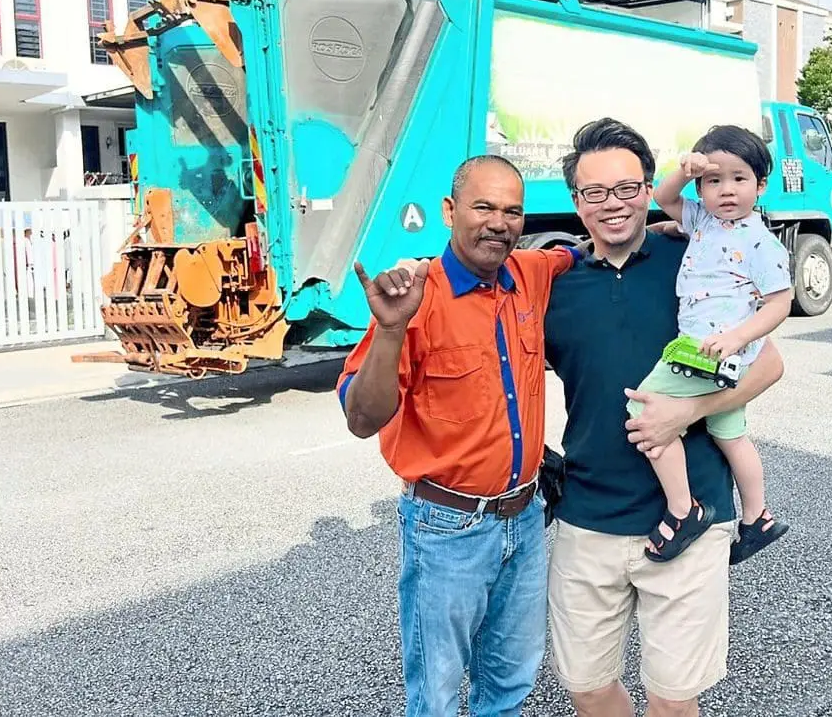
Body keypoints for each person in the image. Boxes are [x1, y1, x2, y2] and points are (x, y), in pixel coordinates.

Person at [543, 118, 786, 717]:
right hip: (588, 517)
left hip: (693, 520)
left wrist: (689, 412)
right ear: (576, 201)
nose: (613, 204)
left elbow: (770, 363)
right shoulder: (556, 283)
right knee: (586, 685)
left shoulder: (696, 252)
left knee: (674, 702)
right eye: (594, 192)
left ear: (650, 188)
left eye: (627, 188)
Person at [337, 154, 580, 717]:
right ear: (450, 210)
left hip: (525, 517)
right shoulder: (415, 296)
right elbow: (361, 419)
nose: (499, 222)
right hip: (448, 530)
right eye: (484, 206)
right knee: (438, 695)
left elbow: (579, 251)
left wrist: (662, 228)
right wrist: (392, 332)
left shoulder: (529, 272)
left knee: (511, 684)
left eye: (513, 211)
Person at [626, 124, 793, 565]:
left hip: (706, 352)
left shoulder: (761, 242)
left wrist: (738, 337)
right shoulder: (701, 219)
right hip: (720, 355)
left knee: (644, 412)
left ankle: (685, 509)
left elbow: (780, 303)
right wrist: (683, 172)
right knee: (730, 433)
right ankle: (757, 517)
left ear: (760, 184)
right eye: (713, 181)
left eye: (739, 179)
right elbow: (663, 198)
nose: (726, 190)